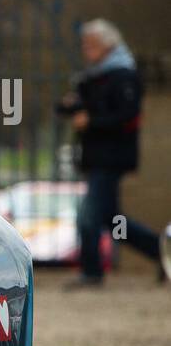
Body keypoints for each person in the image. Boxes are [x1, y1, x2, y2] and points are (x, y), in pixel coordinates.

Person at [59, 19, 162, 288]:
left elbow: (127, 117)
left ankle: (92, 272)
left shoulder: (123, 75)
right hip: (95, 157)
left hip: (112, 157)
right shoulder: (94, 76)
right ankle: (162, 253)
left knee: (88, 216)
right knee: (112, 219)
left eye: (91, 45)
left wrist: (91, 121)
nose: (86, 50)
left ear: (108, 46)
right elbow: (81, 106)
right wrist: (70, 107)